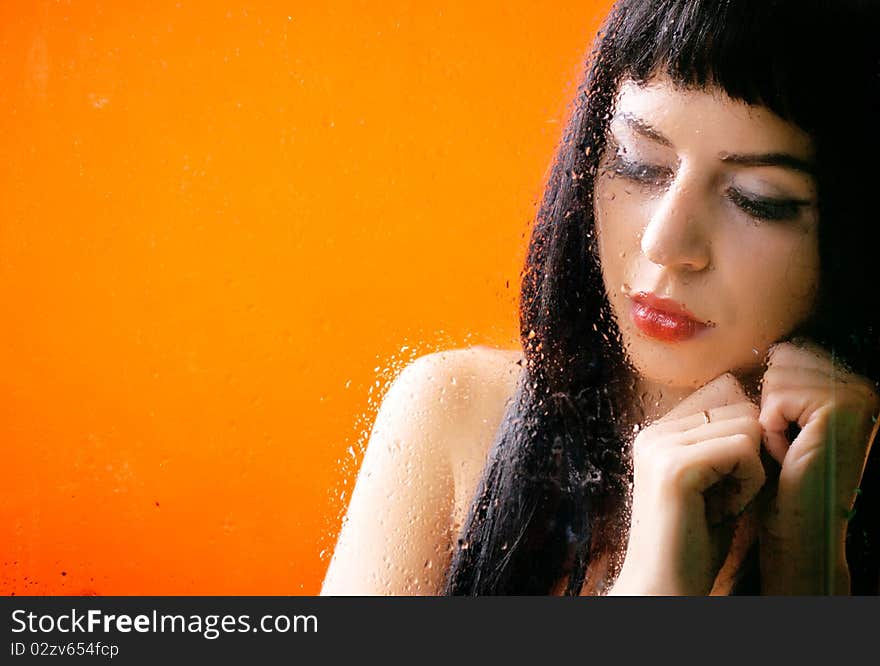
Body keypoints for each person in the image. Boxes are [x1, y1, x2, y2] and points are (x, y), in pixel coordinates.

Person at [320, 0, 880, 595]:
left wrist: (809, 566)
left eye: (756, 199)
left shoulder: (836, 505)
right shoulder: (456, 415)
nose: (665, 242)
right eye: (639, 164)